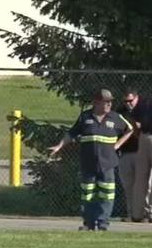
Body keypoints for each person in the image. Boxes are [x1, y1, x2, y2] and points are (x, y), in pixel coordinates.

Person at [49, 89, 134, 231]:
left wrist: (118, 144)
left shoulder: (115, 118)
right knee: (88, 194)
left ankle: (102, 224)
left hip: (108, 164)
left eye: (110, 101)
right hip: (88, 164)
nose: (108, 104)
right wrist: (59, 146)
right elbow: (72, 133)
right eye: (105, 101)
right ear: (96, 102)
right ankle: (89, 224)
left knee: (106, 195)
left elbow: (130, 130)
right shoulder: (85, 117)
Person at [120, 89, 152, 222]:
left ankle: (137, 214)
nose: (128, 104)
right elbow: (134, 122)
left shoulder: (144, 104)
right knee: (142, 180)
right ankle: (145, 213)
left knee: (141, 179)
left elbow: (135, 123)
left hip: (144, 137)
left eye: (130, 100)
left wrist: (140, 132)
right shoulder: (142, 104)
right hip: (145, 137)